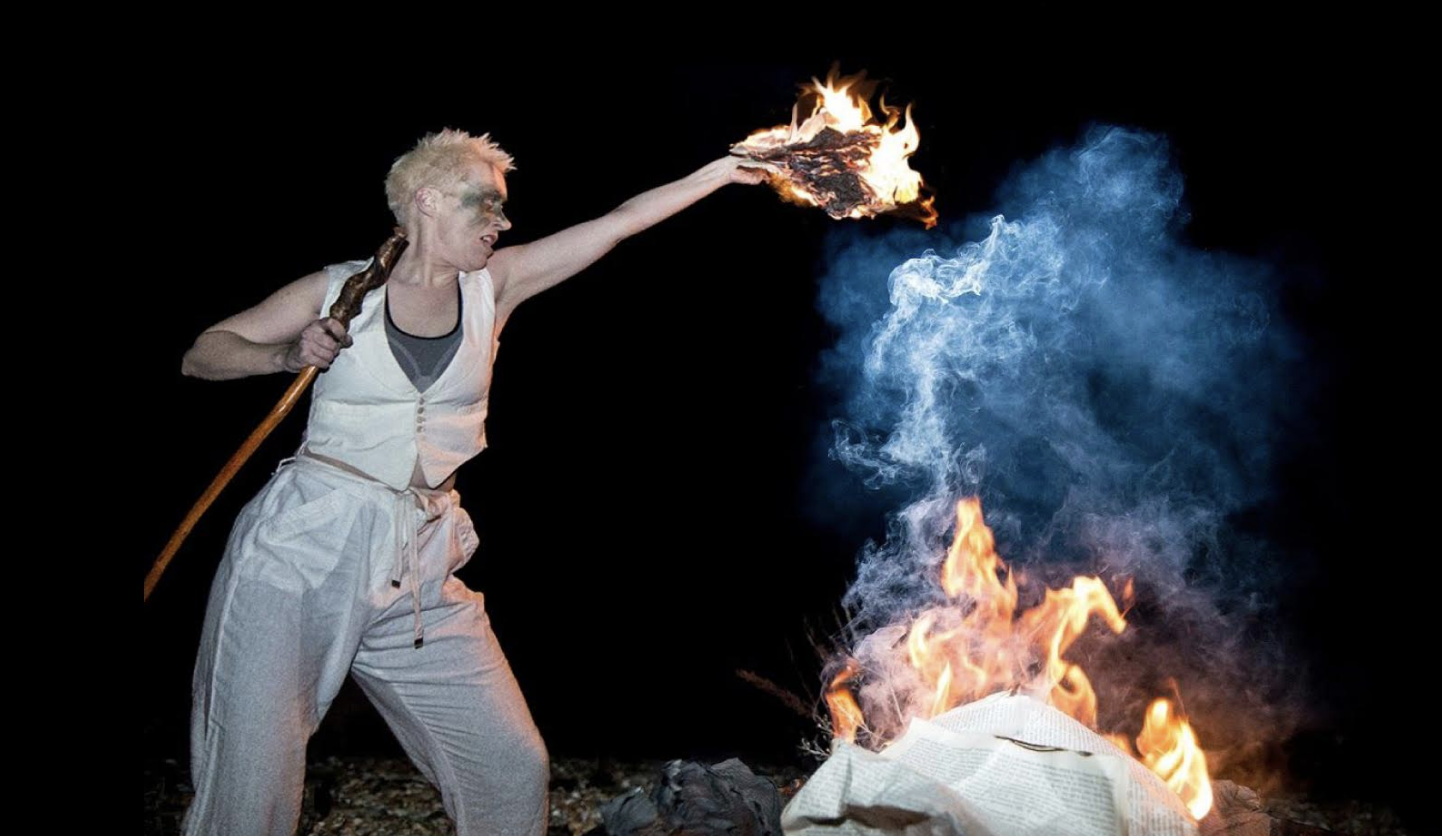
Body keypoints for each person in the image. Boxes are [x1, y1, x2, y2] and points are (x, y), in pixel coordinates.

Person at [177, 128, 766, 835]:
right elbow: (203, 353)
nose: (503, 221)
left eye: (503, 207)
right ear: (426, 200)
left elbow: (618, 223)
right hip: (302, 548)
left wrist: (720, 172)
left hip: (423, 554)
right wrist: (283, 354)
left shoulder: (495, 287)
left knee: (508, 765)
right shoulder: (336, 289)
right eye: (485, 203)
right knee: (253, 778)